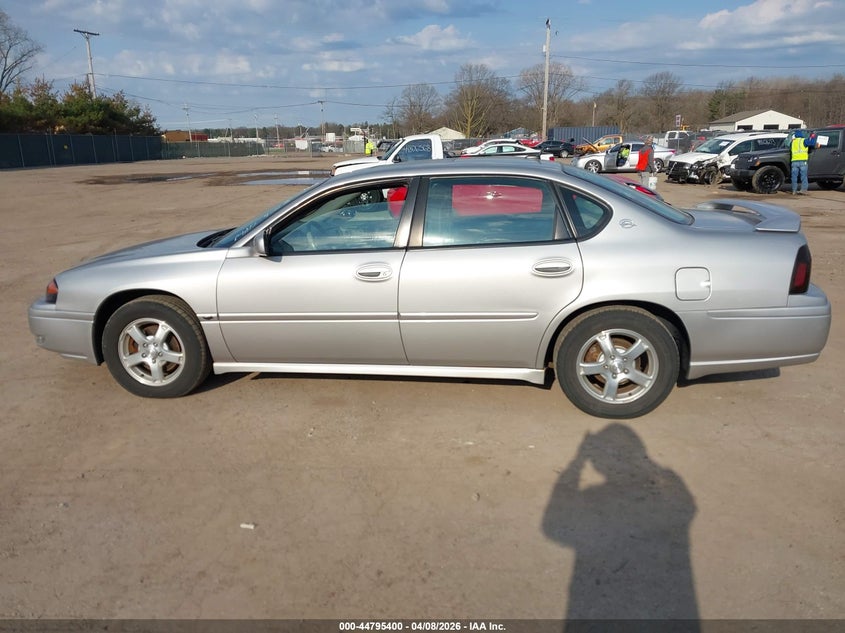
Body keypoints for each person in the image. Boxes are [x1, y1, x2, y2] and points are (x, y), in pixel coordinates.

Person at [790, 130, 817, 195]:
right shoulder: (804, 141)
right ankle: (803, 190)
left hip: (794, 162)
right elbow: (812, 143)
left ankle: (794, 190)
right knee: (803, 176)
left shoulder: (793, 142)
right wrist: (813, 137)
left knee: (794, 177)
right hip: (803, 161)